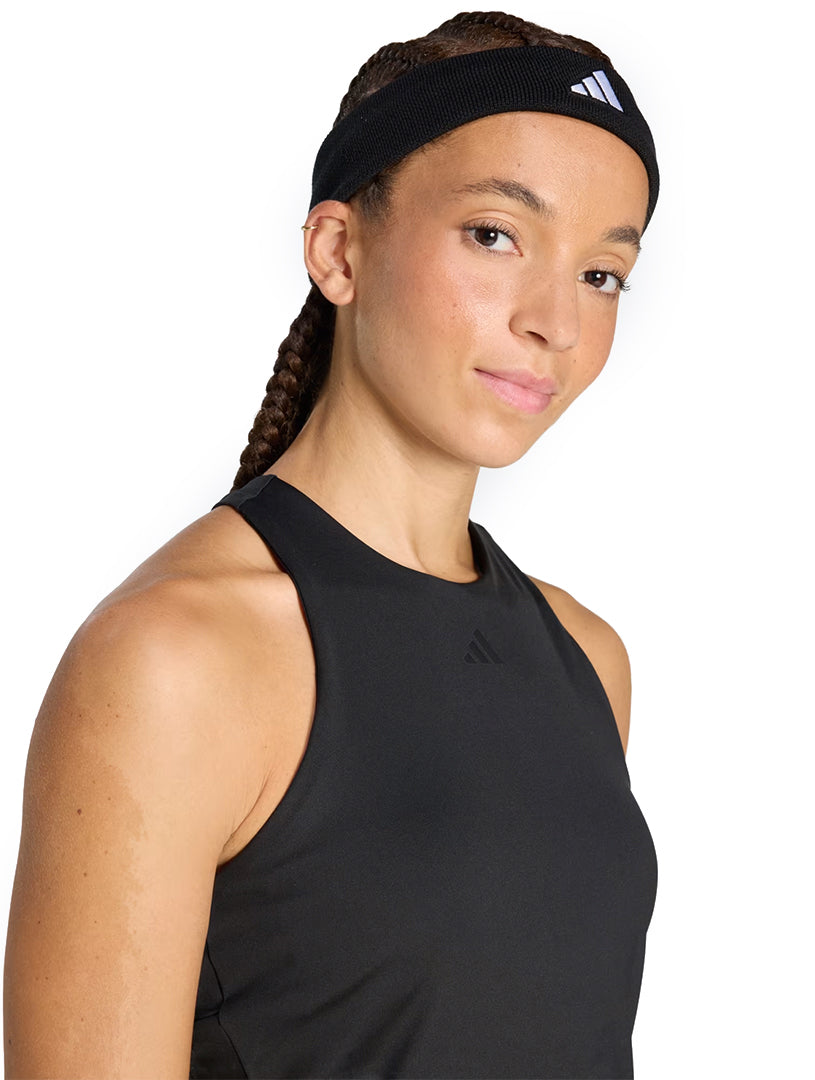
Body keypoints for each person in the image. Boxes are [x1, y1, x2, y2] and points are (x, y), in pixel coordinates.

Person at [4, 10, 658, 1078]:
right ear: (339, 250)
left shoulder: (587, 660)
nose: (557, 322)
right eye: (495, 235)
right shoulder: (174, 661)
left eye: (602, 274)